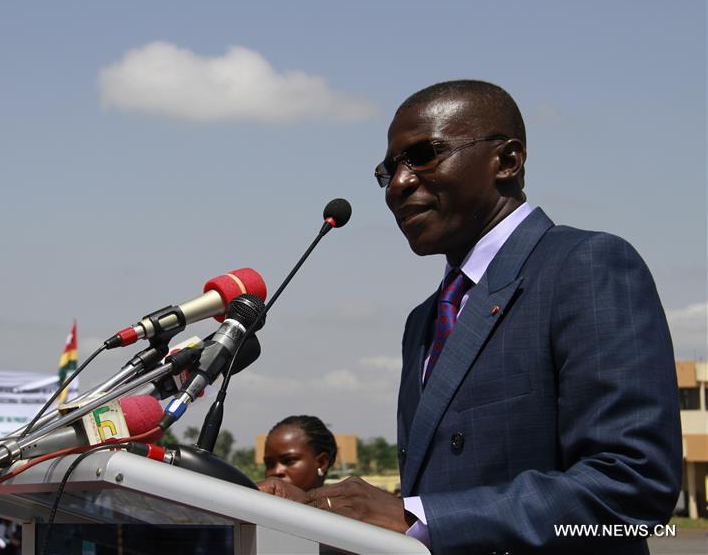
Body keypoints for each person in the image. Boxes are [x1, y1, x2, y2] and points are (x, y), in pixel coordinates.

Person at [258, 80, 681, 554]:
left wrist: (416, 516)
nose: (398, 184)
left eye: (423, 156)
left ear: (507, 161)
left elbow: (633, 488)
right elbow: (443, 498)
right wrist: (320, 507)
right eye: (389, 169)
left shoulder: (585, 266)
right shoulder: (423, 322)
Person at [263, 415, 337, 492]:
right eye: (269, 464)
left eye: (289, 460)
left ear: (322, 463)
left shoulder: (344, 503)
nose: (276, 471)